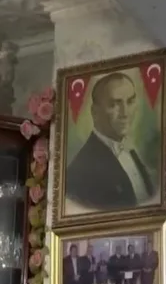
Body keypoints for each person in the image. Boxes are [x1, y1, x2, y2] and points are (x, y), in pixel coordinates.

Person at [65, 73, 156, 210]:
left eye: (130, 102)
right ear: (95, 112)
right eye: (114, 105)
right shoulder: (80, 171)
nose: (125, 113)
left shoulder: (129, 149)